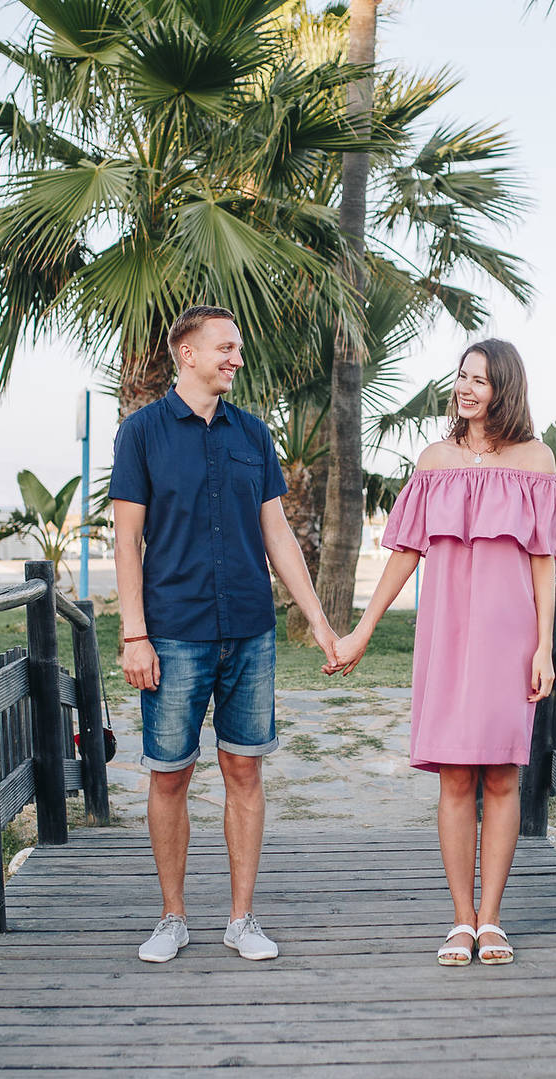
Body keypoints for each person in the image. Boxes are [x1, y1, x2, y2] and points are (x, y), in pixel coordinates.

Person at [329, 338, 556, 966]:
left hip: (511, 636)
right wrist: (362, 630)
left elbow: (544, 563)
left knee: (502, 773)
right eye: (461, 377)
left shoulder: (536, 460)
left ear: (505, 389)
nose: (465, 389)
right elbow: (405, 553)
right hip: (447, 632)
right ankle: (461, 919)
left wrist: (545, 646)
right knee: (457, 773)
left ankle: (493, 919)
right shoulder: (434, 459)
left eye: (480, 380)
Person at [110, 305, 339, 964]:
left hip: (247, 630)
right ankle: (172, 917)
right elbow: (127, 539)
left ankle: (241, 919)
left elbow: (277, 534)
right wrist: (134, 634)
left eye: (237, 348)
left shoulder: (253, 435)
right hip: (172, 630)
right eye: (225, 347)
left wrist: (319, 623)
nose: (236, 358)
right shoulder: (143, 432)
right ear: (187, 352)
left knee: (244, 771)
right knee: (170, 777)